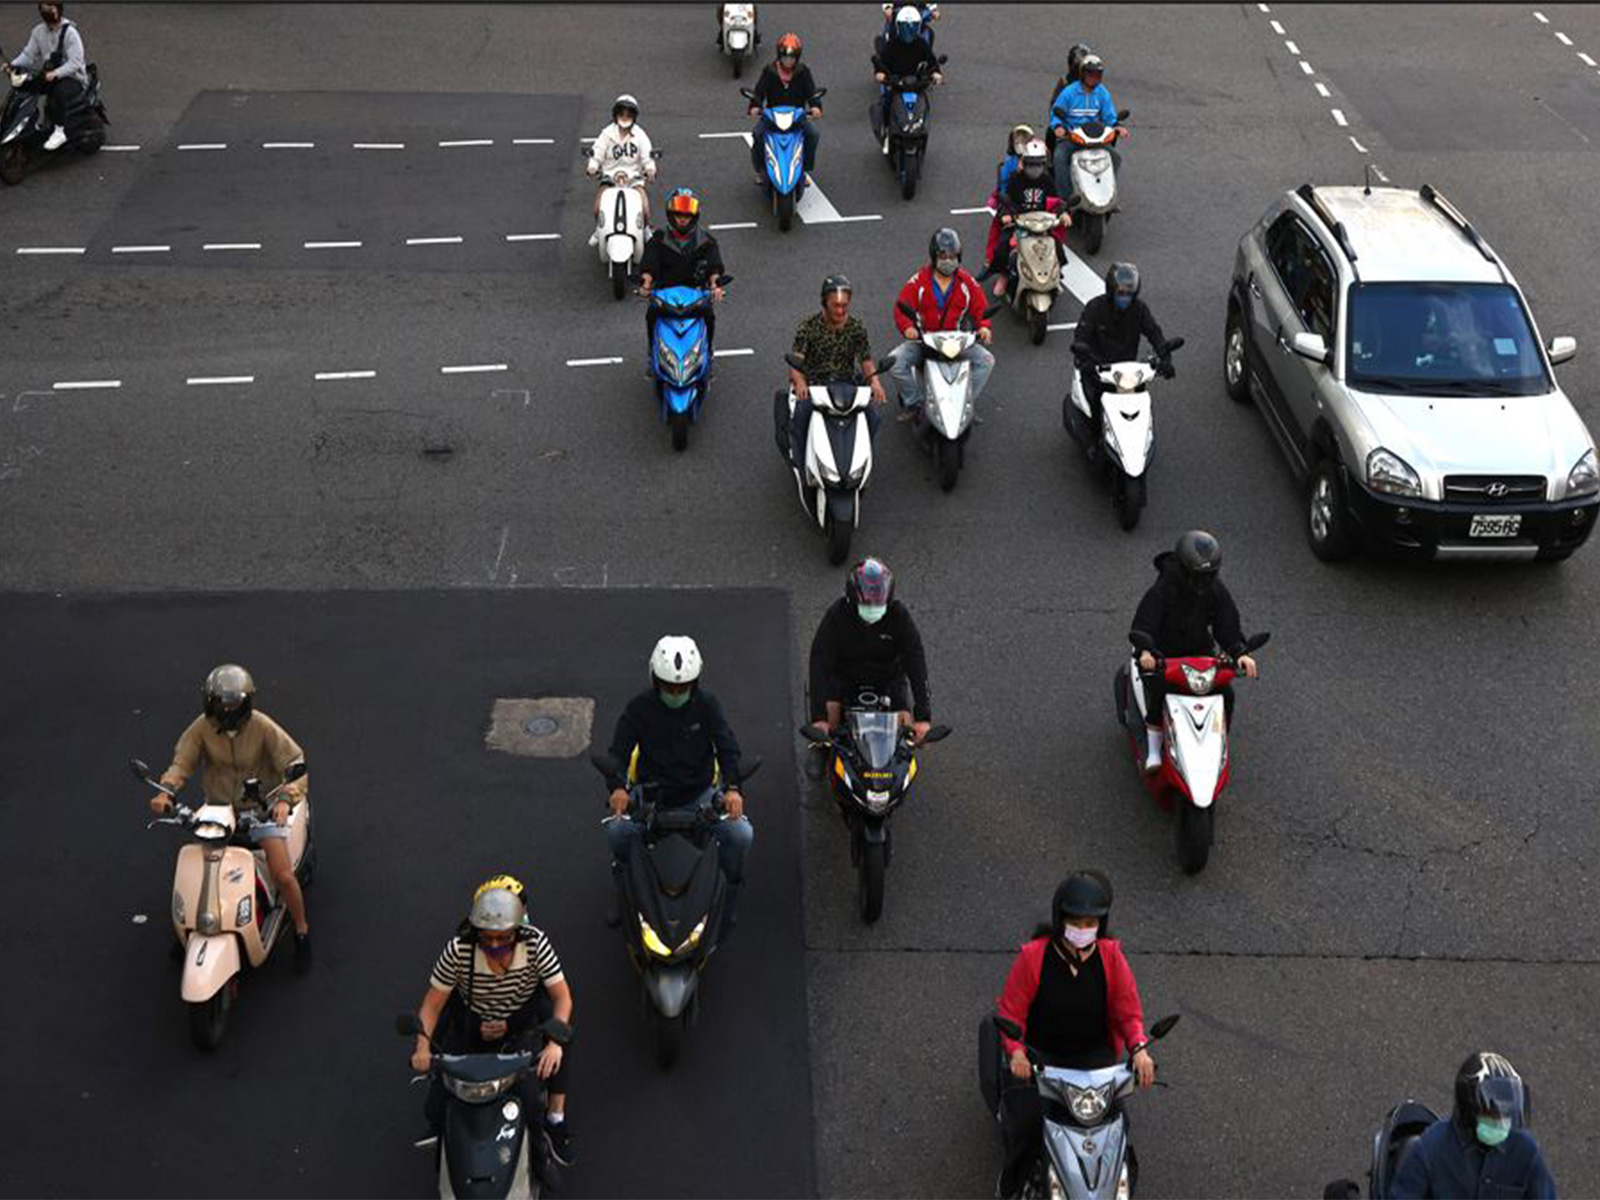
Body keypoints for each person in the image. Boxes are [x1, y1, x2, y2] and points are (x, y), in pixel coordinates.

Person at [992, 872, 1154, 1199]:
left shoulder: (1111, 958)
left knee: (1116, 1129)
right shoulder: (1033, 957)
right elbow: (1010, 1013)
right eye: (1075, 922)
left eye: (1089, 923)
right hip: (1042, 1059)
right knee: (1026, 1125)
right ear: (1059, 918)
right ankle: (1010, 1186)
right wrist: (1018, 1053)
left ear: (1101, 924)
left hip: (1093, 1061)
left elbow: (1128, 1013)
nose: (1082, 930)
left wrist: (1139, 1049)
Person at [148, 665, 313, 971]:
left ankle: (302, 932)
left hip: (260, 809)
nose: (226, 712)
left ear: (246, 704)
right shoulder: (201, 728)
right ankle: (191, 927)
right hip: (219, 811)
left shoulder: (263, 727)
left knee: (283, 875)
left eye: (233, 706)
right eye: (219, 705)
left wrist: (283, 800)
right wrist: (167, 790)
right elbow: (182, 762)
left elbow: (294, 761)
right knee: (200, 867)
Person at [409, 876, 576, 1173]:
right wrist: (422, 1047)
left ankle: (545, 1143)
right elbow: (432, 1005)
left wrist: (554, 1044)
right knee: (436, 1106)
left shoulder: (537, 944)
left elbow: (562, 998)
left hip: (522, 1030)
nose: (495, 945)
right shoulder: (458, 951)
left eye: (503, 938)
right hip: (472, 1029)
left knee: (531, 1101)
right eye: (487, 939)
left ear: (518, 931)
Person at [601, 636, 754, 933]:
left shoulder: (708, 707)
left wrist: (733, 789)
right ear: (655, 680)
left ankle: (728, 897)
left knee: (740, 835)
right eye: (669, 686)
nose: (676, 692)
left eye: (682, 687)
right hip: (649, 801)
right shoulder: (639, 708)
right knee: (617, 832)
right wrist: (618, 788)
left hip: (700, 799)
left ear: (694, 683)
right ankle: (624, 895)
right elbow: (618, 753)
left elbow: (728, 749)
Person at [1129, 530, 1258, 771]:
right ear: (1184, 569)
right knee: (1160, 693)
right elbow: (1145, 621)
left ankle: (1218, 741)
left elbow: (1227, 623)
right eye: (1199, 577)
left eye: (1209, 576)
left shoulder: (1214, 589)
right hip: (1165, 656)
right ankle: (1154, 747)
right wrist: (1146, 651)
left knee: (1226, 695)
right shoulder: (1163, 589)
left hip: (1201, 656)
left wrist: (1240, 652)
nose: (1204, 583)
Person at [1389, 1053, 1557, 1199]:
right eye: (1491, 1115)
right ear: (1469, 1109)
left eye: (1506, 1116)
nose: (1500, 1124)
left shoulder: (1525, 1151)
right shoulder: (1431, 1148)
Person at [808, 557, 933, 741]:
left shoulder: (899, 616)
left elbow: (916, 663)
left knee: (907, 735)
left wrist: (923, 718)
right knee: (829, 727)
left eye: (878, 604)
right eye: (866, 604)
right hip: (843, 679)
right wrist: (819, 719)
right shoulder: (837, 616)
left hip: (887, 680)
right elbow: (819, 661)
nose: (873, 608)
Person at [783, 274, 888, 467]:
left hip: (846, 383)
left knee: (873, 416)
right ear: (824, 303)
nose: (841, 311)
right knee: (800, 417)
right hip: (816, 383)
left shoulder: (857, 328)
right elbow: (796, 362)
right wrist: (800, 383)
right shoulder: (807, 327)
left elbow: (865, 360)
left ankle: (862, 458)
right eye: (835, 306)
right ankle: (800, 459)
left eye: (844, 306)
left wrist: (875, 382)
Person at [886, 228, 993, 413]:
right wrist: (908, 328)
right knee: (895, 363)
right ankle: (914, 403)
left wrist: (984, 327)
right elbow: (901, 308)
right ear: (934, 256)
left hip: (957, 342)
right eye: (943, 256)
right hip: (925, 341)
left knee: (986, 361)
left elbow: (980, 309)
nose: (948, 261)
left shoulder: (967, 282)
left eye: (953, 256)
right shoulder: (918, 281)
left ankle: (965, 401)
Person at [1069, 262, 1172, 448]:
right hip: (1098, 369)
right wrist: (1085, 357)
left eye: (1129, 294)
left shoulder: (1139, 309)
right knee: (1096, 405)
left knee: (1141, 400)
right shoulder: (1094, 308)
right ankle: (1095, 441)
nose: (1125, 298)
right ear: (1111, 290)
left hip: (1127, 372)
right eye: (1121, 293)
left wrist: (1164, 356)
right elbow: (1081, 336)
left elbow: (1154, 332)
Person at [639, 188, 725, 361]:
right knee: (651, 315)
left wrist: (716, 286)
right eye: (679, 214)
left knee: (709, 314)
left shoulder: (706, 241)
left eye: (686, 215)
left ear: (694, 216)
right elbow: (648, 266)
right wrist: (646, 285)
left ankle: (708, 349)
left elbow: (714, 268)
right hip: (664, 295)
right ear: (671, 214)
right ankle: (652, 349)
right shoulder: (658, 239)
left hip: (696, 295)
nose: (683, 218)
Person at [983, 138, 1071, 296]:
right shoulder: (1015, 180)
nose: (1035, 168)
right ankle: (1004, 275)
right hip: (1019, 223)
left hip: (1041, 224)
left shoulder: (1047, 180)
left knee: (1056, 246)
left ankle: (1055, 275)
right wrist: (1006, 215)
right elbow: (1006, 201)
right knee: (1004, 246)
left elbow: (1055, 201)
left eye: (1038, 164)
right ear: (1024, 162)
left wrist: (1063, 212)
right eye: (1031, 163)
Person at [7, 0, 87, 152]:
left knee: (59, 91)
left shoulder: (70, 33)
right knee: (23, 85)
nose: (48, 11)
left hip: (73, 78)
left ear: (59, 10)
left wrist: (56, 73)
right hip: (49, 75)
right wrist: (13, 65)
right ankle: (25, 123)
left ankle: (59, 130)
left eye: (51, 8)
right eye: (44, 8)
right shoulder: (38, 32)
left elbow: (76, 62)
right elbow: (28, 55)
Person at [747, 32, 823, 184]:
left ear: (797, 58)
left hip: (797, 117)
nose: (788, 61)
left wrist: (816, 107)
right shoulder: (769, 72)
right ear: (779, 56)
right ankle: (762, 170)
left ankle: (804, 170)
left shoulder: (803, 72)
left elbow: (812, 93)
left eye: (791, 58)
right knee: (758, 134)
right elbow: (759, 92)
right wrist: (755, 106)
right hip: (772, 116)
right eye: (785, 58)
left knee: (813, 134)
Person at [1049, 53, 1125, 203]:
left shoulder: (1102, 93)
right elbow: (1056, 112)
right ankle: (1065, 200)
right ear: (1082, 74)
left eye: (1097, 74)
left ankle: (1108, 195)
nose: (1094, 77)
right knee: (1059, 157)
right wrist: (1058, 126)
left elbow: (1109, 116)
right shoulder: (1069, 92)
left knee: (1115, 158)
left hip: (1096, 139)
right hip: (1072, 137)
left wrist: (1117, 126)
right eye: (1090, 73)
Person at [585, 94, 657, 241]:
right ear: (615, 114)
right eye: (622, 113)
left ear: (634, 116)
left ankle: (646, 228)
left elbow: (647, 157)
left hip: (633, 179)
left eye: (629, 114)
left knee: (644, 207)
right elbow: (597, 152)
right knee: (598, 207)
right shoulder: (607, 134)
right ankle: (599, 230)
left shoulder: (640, 135)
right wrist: (593, 166)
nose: (625, 117)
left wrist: (650, 169)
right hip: (610, 177)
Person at [871, 6, 942, 143]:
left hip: (916, 82)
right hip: (896, 82)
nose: (908, 31)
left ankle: (922, 129)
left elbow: (932, 62)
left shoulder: (921, 44)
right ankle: (885, 131)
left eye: (912, 27)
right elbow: (882, 63)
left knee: (925, 103)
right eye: (904, 27)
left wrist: (936, 73)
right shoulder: (892, 45)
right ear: (898, 27)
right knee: (886, 102)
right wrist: (879, 73)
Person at [982, 124, 1035, 270]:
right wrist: (1005, 208)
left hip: (1034, 202)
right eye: (1016, 140)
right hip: (1012, 203)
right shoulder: (1009, 163)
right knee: (999, 228)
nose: (1020, 143)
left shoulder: (1038, 160)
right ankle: (992, 262)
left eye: (1024, 139)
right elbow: (1003, 188)